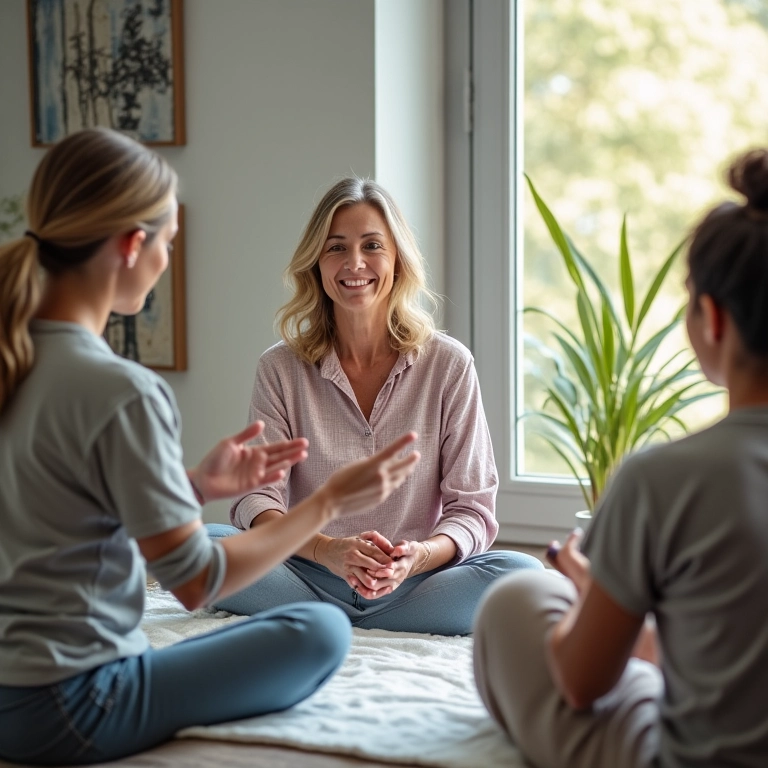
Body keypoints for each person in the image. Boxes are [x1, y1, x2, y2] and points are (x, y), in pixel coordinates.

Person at [0, 128, 421, 766]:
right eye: (168, 243)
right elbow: (196, 581)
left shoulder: (15, 359)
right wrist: (330, 500)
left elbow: (49, 501)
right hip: (69, 707)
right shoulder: (121, 390)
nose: (166, 260)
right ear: (132, 244)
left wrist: (188, 489)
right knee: (321, 629)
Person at [472, 147, 768, 768]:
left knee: (512, 603)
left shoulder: (665, 477)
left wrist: (597, 601)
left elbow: (581, 681)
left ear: (711, 318)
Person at [208, 176, 542, 636]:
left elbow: (472, 508)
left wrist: (417, 557)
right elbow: (258, 499)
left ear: (398, 259)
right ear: (317, 263)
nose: (355, 263)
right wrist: (327, 550)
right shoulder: (280, 368)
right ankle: (329, 613)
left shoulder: (449, 364)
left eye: (372, 245)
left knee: (523, 574)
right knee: (207, 546)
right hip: (303, 575)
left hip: (414, 584)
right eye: (337, 248)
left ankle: (334, 622)